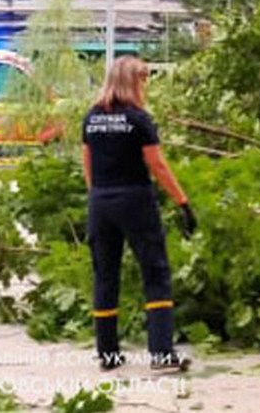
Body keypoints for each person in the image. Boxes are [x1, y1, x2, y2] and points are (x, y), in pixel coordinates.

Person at [82, 56, 197, 371]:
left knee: (105, 276)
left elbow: (87, 163)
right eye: (143, 80)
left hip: (101, 203)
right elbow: (157, 164)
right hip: (135, 201)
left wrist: (98, 195)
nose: (145, 86)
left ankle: (108, 354)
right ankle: (161, 353)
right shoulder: (138, 119)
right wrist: (183, 202)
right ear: (133, 81)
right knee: (155, 272)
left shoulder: (91, 117)